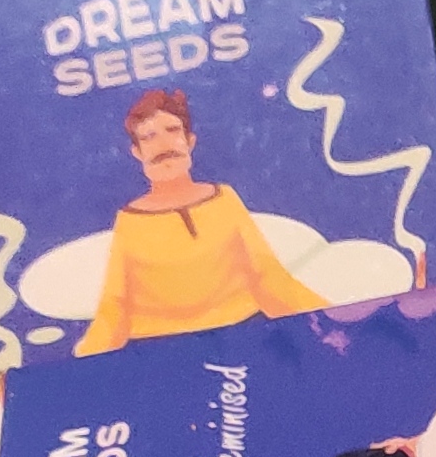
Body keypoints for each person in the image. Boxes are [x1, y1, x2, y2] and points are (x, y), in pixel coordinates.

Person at [73, 88, 329, 355]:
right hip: (162, 352)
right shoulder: (130, 220)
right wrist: (86, 358)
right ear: (137, 152)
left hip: (244, 338)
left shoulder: (224, 198)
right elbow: (115, 306)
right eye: (149, 137)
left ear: (190, 141)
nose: (163, 145)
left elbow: (269, 279)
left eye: (172, 130)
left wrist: (331, 317)